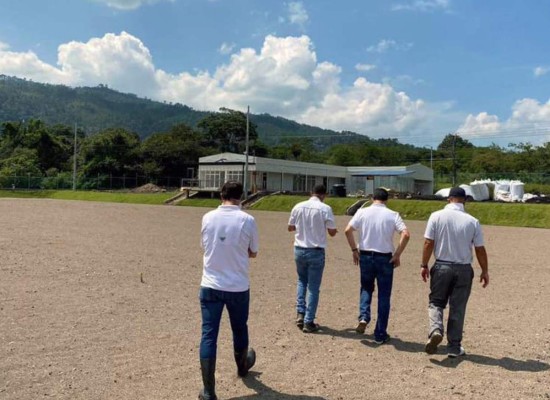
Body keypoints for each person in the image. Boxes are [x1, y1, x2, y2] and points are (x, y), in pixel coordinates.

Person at [198, 181, 259, 400]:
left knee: (208, 335)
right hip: (237, 286)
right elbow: (254, 252)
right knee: (239, 328)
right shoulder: (247, 220)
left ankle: (208, 390)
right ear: (240, 196)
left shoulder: (207, 217)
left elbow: (205, 247)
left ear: (221, 195)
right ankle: (242, 366)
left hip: (210, 284)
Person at [421, 186, 489, 358]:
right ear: (464, 200)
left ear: (448, 199)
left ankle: (436, 329)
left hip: (442, 266)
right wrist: (485, 270)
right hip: (464, 268)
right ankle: (454, 346)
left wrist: (424, 264)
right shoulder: (472, 221)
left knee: (436, 302)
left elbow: (428, 242)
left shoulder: (436, 216)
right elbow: (480, 249)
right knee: (458, 308)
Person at [344, 188, 410, 344]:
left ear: (372, 198)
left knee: (366, 287)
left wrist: (354, 249)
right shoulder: (393, 215)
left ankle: (364, 317)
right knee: (384, 295)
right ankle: (380, 333)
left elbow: (348, 230)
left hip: (365, 255)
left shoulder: (362, 212)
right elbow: (406, 234)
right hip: (385, 258)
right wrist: (397, 254)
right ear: (386, 200)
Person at [288, 184, 338, 333]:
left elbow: (290, 227)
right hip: (316, 250)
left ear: (311, 192)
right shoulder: (325, 208)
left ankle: (300, 313)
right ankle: (309, 321)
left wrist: (302, 227)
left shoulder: (298, 206)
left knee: (302, 281)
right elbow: (332, 232)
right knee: (313, 287)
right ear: (324, 194)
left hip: (299, 248)